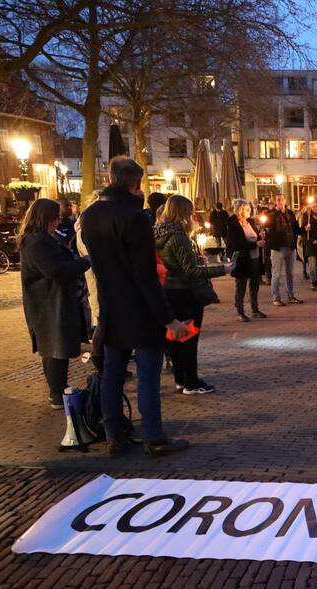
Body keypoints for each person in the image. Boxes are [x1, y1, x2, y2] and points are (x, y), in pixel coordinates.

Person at [79, 157, 190, 456]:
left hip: (110, 305)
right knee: (147, 375)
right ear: (134, 184)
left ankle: (114, 435)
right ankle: (154, 437)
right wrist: (168, 319)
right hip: (140, 309)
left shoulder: (90, 216)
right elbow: (145, 274)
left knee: (113, 374)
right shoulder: (136, 218)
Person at [154, 195, 233, 394]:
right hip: (186, 292)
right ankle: (191, 382)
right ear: (183, 213)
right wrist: (223, 269)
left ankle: (181, 378)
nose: (193, 216)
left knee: (177, 337)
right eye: (190, 212)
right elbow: (191, 270)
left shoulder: (160, 233)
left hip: (170, 290)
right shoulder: (178, 236)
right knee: (189, 338)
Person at [17, 199, 91, 409]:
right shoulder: (37, 243)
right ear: (45, 219)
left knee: (54, 347)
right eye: (55, 218)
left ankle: (58, 389)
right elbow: (57, 271)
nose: (58, 222)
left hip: (51, 301)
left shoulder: (42, 239)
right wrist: (86, 261)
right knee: (54, 347)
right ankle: (57, 391)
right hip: (48, 304)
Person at [226, 198, 267, 322]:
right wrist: (255, 244)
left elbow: (255, 236)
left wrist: (261, 236)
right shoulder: (233, 225)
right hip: (242, 260)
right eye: (247, 209)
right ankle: (240, 311)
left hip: (254, 258)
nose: (250, 211)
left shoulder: (250, 222)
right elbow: (237, 245)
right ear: (240, 210)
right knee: (241, 285)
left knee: (254, 285)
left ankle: (255, 309)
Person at [265, 194, 303, 306]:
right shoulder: (272, 214)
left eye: (282, 199)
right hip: (278, 248)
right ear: (275, 202)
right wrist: (276, 211)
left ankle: (290, 296)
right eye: (278, 200)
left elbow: (295, 229)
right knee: (276, 274)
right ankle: (276, 298)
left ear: (285, 200)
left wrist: (304, 229)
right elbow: (267, 224)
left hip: (290, 246)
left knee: (290, 273)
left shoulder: (290, 213)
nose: (280, 201)